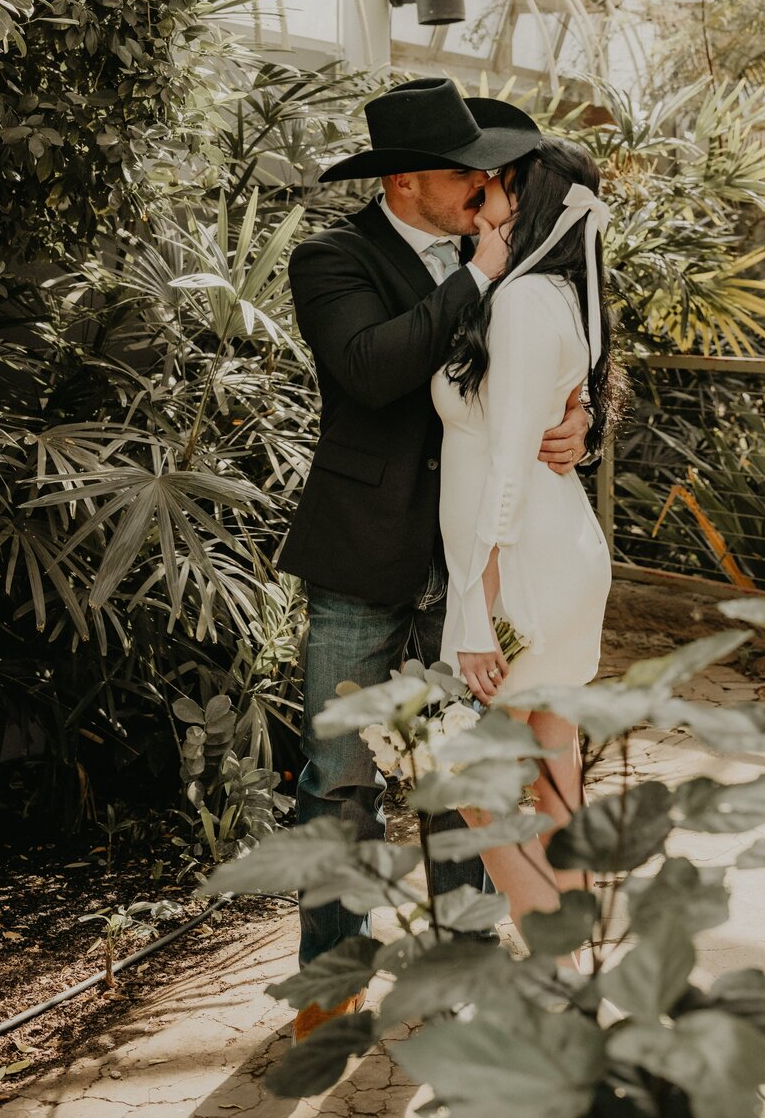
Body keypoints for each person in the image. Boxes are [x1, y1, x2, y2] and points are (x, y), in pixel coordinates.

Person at [282, 78, 591, 1040]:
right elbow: (372, 369)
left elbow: (544, 374)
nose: (484, 183)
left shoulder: (502, 253)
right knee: (339, 776)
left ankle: (463, 957)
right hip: (362, 561)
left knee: (467, 774)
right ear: (409, 179)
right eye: (466, 172)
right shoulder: (331, 258)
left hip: (472, 565)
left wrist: (580, 424)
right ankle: (334, 973)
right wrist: (478, 278)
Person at [435, 137, 621, 939]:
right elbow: (561, 407)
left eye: (502, 187)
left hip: (520, 568)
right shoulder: (566, 297)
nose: (488, 197)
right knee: (557, 763)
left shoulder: (518, 303)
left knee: (456, 769)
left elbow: (507, 463)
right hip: (565, 551)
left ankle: (551, 943)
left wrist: (475, 614)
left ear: (532, 203)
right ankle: (570, 960)